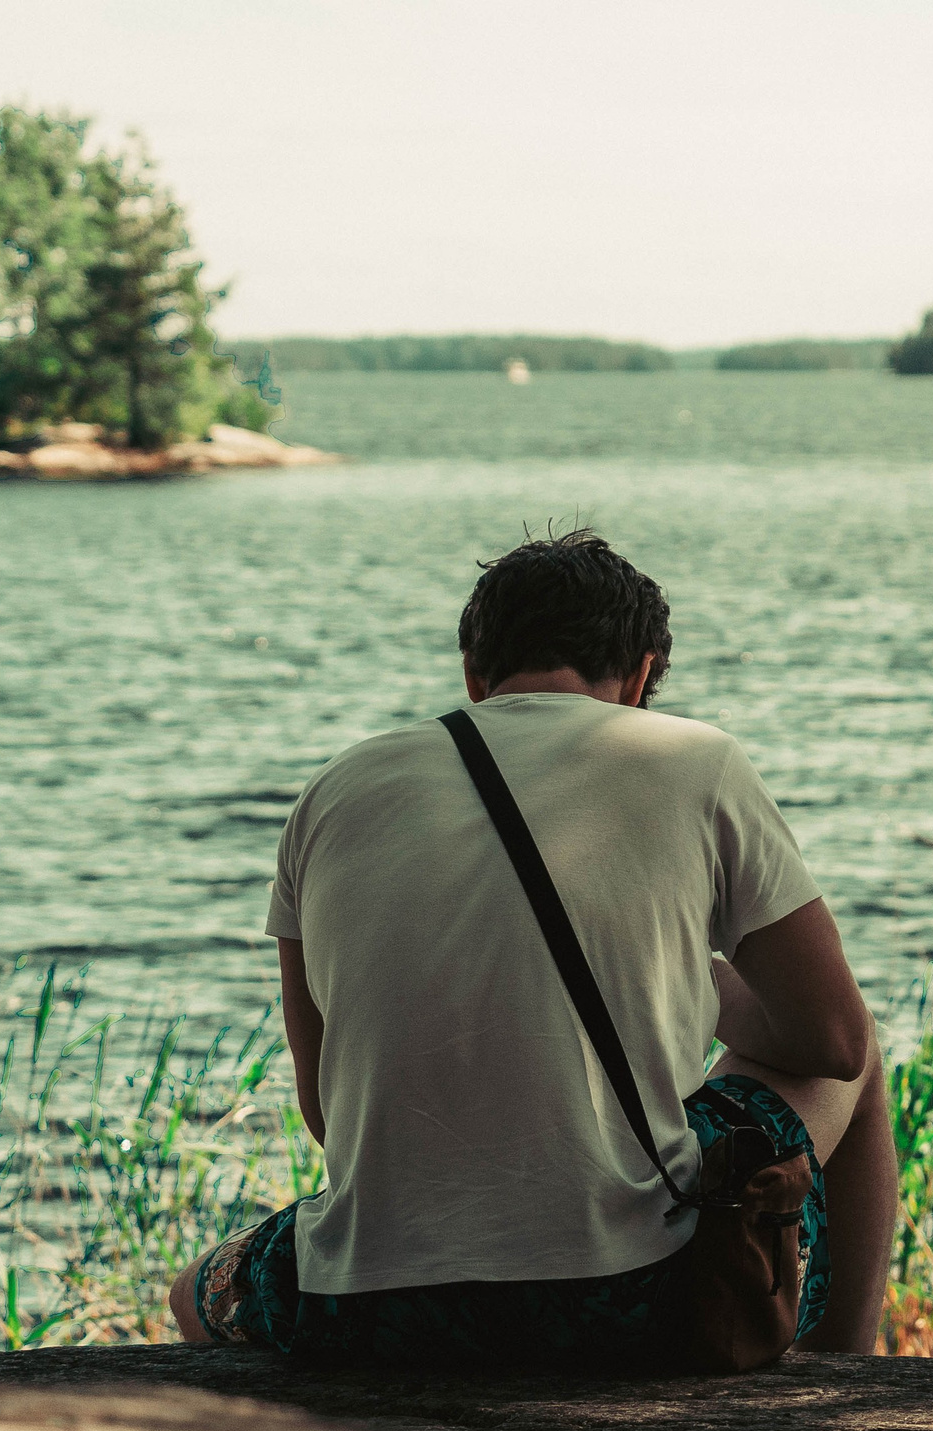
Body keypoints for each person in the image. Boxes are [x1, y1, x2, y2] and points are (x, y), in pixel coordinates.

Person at [167, 529, 895, 1365]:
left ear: (475, 676)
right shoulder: (699, 760)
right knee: (869, 1054)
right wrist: (693, 976)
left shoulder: (332, 791)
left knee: (195, 1289)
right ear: (644, 674)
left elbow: (329, 1118)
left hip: (363, 1306)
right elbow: (832, 1043)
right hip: (629, 1299)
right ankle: (845, 1376)